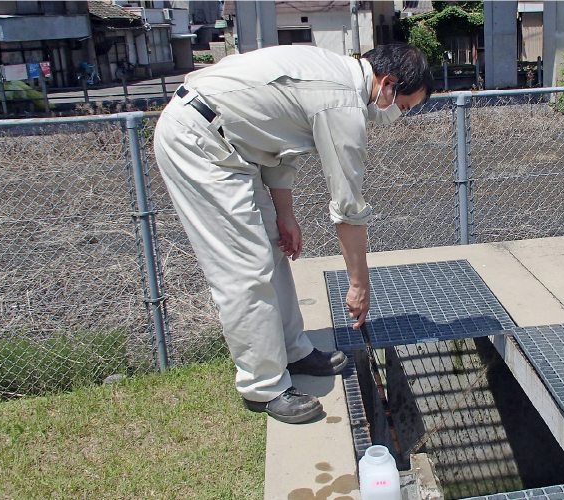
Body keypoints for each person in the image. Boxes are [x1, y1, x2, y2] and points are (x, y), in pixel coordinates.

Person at [153, 43, 433, 424]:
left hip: (238, 147)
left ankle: (292, 351)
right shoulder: (342, 103)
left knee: (271, 251)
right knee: (245, 269)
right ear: (387, 84)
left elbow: (281, 143)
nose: (398, 117)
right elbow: (348, 208)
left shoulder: (336, 75)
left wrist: (285, 215)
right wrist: (358, 285)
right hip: (200, 141)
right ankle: (262, 386)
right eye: (403, 107)